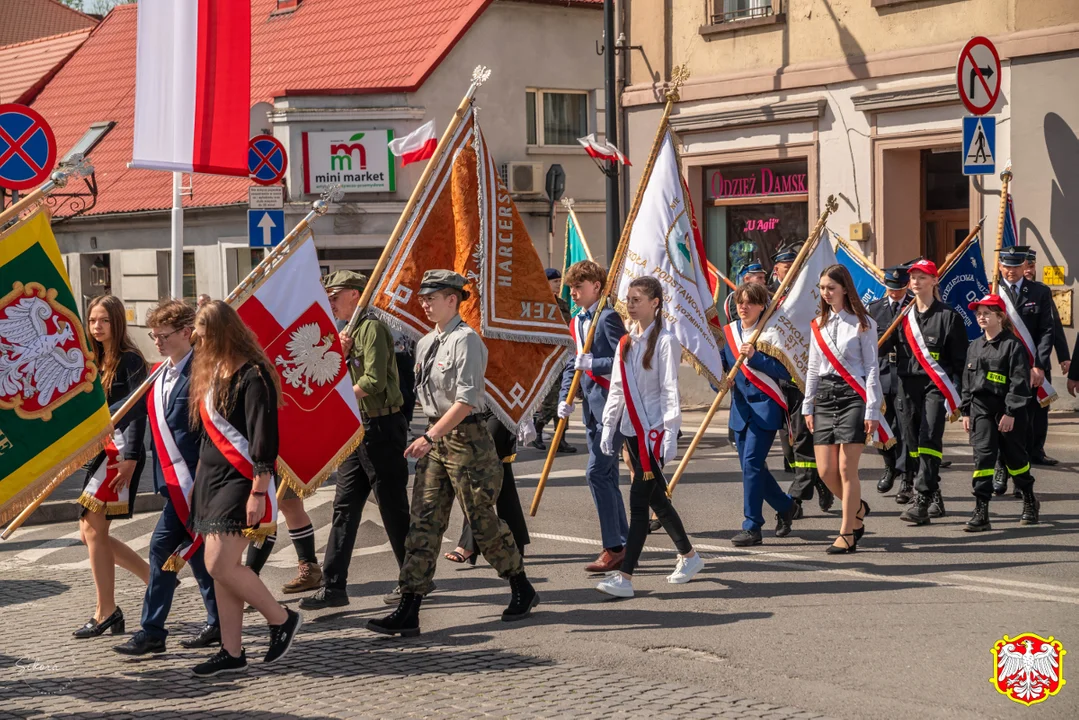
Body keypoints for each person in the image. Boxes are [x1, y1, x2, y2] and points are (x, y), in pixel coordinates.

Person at [367, 270, 538, 637]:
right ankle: (410, 607)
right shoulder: (428, 341)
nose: (425, 303)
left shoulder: (467, 341)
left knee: (482, 521)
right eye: (424, 298)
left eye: (433, 297)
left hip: (467, 440)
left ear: (453, 300)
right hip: (435, 436)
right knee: (424, 522)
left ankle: (521, 585)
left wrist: (429, 435)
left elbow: (466, 399)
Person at [186, 301, 301, 677]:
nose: (198, 344)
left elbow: (264, 438)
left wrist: (258, 491)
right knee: (224, 568)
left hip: (242, 480)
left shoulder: (254, 375)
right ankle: (232, 652)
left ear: (221, 334)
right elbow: (206, 437)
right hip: (211, 480)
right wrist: (197, 481)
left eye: (203, 337)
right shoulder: (214, 373)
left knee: (218, 563)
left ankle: (281, 619)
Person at [299, 271, 412, 610]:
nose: (330, 302)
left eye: (335, 296)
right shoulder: (344, 333)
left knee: (393, 508)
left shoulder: (373, 328)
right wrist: (340, 353)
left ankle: (415, 579)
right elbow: (331, 373)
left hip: (381, 425)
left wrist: (336, 399)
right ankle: (334, 587)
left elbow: (374, 381)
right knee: (344, 507)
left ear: (354, 294)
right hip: (357, 429)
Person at [113, 300, 220, 655]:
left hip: (194, 483)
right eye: (153, 335)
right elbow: (129, 408)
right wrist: (92, 423)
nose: (156, 341)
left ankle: (152, 631)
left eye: (164, 335)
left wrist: (204, 482)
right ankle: (218, 621)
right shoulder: (161, 374)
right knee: (198, 551)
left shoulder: (203, 374)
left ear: (187, 333)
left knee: (162, 547)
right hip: (172, 483)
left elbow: (211, 433)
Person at [594, 277, 702, 597]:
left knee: (639, 503)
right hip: (631, 430)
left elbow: (670, 390)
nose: (631, 303)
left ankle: (625, 578)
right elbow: (616, 388)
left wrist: (670, 432)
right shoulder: (626, 342)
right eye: (629, 298)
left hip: (653, 434)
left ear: (655, 302)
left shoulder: (666, 341)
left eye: (638, 298)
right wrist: (608, 425)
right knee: (656, 499)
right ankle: (690, 556)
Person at [74, 295, 150, 639]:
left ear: (117, 322)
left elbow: (137, 412)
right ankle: (154, 580)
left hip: (120, 454)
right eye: (92, 321)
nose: (96, 327)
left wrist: (132, 458)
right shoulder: (92, 360)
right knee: (90, 532)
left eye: (103, 320)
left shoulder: (131, 360)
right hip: (100, 454)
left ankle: (106, 610)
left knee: (92, 530)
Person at [802, 265, 883, 553]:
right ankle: (858, 509)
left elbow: (872, 368)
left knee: (847, 468)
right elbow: (812, 367)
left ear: (845, 289)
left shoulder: (863, 323)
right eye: (822, 288)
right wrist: (807, 405)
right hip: (824, 396)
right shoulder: (818, 325)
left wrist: (872, 409)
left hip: (853, 396)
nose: (826, 293)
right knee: (825, 471)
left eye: (831, 288)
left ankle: (847, 532)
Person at [556, 260, 629, 573]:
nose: (573, 292)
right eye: (571, 287)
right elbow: (573, 364)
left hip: (612, 408)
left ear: (597, 287)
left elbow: (625, 359)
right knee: (608, 475)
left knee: (596, 473)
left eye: (579, 287)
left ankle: (612, 546)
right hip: (590, 408)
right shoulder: (576, 321)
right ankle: (623, 540)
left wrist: (594, 363)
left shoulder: (608, 317)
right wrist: (564, 399)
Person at [890, 260, 969, 526]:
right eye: (912, 277)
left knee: (929, 437)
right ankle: (934, 492)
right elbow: (879, 347)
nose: (915, 281)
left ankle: (921, 498)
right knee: (912, 443)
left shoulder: (948, 316)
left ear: (935, 281)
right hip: (906, 385)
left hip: (935, 385)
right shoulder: (901, 317)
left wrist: (963, 399)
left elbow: (960, 362)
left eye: (922, 277)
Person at [720, 282, 798, 546]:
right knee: (750, 468)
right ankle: (786, 506)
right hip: (740, 411)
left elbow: (787, 371)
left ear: (762, 306)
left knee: (752, 464)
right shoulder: (729, 332)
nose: (744, 307)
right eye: (741, 302)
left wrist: (755, 357)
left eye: (750, 302)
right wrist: (720, 382)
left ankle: (752, 526)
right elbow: (720, 366)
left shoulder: (771, 333)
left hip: (765, 407)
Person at [961, 295, 1040, 531]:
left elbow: (1019, 383)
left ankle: (1028, 498)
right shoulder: (974, 346)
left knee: (1015, 460)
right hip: (981, 410)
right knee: (983, 459)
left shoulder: (1013, 346)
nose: (981, 317)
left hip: (1007, 411)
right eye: (978, 313)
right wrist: (966, 411)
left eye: (987, 313)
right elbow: (967, 382)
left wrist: (1011, 412)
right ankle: (981, 510)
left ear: (1000, 317)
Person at [445, 414, 531, 566]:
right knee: (503, 479)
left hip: (498, 408)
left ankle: (468, 543)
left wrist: (525, 414)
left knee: (481, 474)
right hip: (469, 410)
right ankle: (515, 540)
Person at [866, 267, 912, 496]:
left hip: (905, 372)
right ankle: (889, 466)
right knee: (883, 424)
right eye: (891, 289)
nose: (895, 294)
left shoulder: (914, 305)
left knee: (904, 426)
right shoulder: (875, 309)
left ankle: (906, 476)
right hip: (882, 371)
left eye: (900, 289)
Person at [531, 267, 577, 454]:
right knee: (551, 400)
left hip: (563, 354)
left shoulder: (563, 304)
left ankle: (561, 438)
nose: (559, 284)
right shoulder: (539, 305)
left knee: (564, 398)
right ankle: (537, 431)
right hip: (547, 357)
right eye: (555, 281)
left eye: (559, 281)